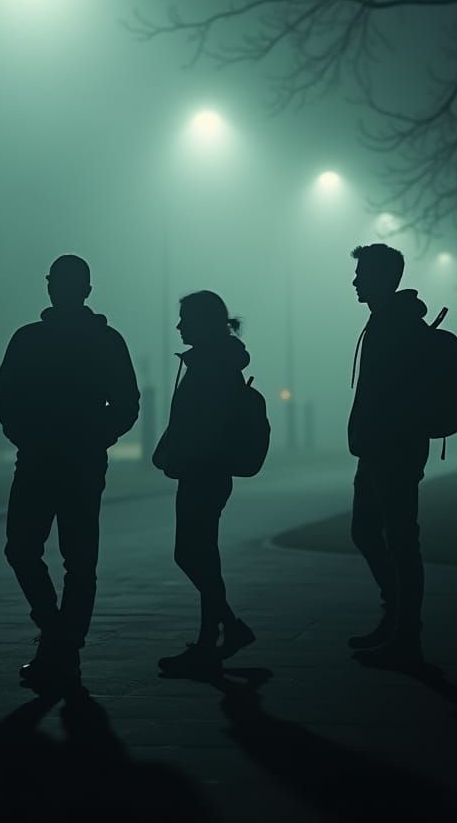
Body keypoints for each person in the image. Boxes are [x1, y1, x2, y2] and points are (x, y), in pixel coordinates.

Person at [0, 254, 139, 693]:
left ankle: (56, 638)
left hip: (46, 456)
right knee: (71, 558)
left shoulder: (30, 339)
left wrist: (23, 433)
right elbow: (127, 404)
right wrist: (100, 435)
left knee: (33, 550)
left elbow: (5, 396)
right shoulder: (105, 340)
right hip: (73, 458)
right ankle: (63, 643)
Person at [154, 290, 256, 677]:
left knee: (192, 553)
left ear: (202, 322)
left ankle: (217, 634)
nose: (179, 326)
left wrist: (184, 454)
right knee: (201, 553)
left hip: (204, 469)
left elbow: (203, 422)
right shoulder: (216, 362)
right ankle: (218, 632)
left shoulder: (210, 366)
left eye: (184, 319)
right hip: (207, 469)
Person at [346, 243, 430, 669]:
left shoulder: (395, 326)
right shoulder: (385, 322)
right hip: (379, 449)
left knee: (399, 538)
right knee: (368, 532)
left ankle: (406, 633)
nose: (355, 280)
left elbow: (392, 395)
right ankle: (395, 619)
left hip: (393, 449)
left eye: (362, 273)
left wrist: (379, 435)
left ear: (383, 277)